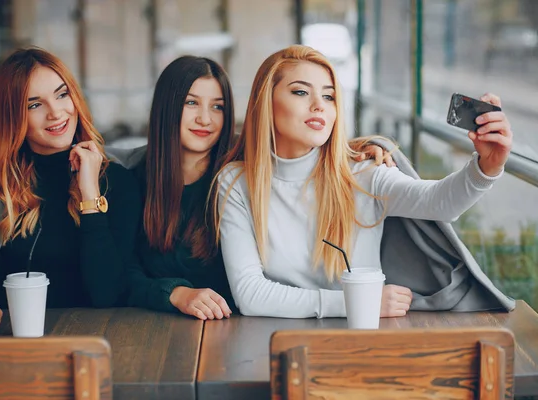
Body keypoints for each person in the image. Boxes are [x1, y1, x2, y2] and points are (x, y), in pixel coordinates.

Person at [216, 45, 515, 319]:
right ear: (266, 103)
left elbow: (439, 202)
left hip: (364, 338)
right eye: (300, 92)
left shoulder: (362, 173)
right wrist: (355, 303)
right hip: (271, 342)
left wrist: (487, 166)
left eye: (330, 96)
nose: (320, 105)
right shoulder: (236, 183)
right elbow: (250, 295)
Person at [110, 55, 391, 320]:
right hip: (156, 327)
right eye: (191, 103)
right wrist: (175, 294)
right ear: (166, 108)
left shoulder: (245, 172)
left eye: (217, 107)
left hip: (247, 325)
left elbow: (303, 152)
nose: (205, 119)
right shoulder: (134, 180)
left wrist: (356, 150)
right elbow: (123, 275)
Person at [0, 48, 140, 337]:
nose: (56, 112)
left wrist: (89, 194)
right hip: (16, 343)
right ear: (13, 117)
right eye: (34, 105)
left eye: (61, 95)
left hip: (102, 341)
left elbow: (107, 295)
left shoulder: (117, 181)